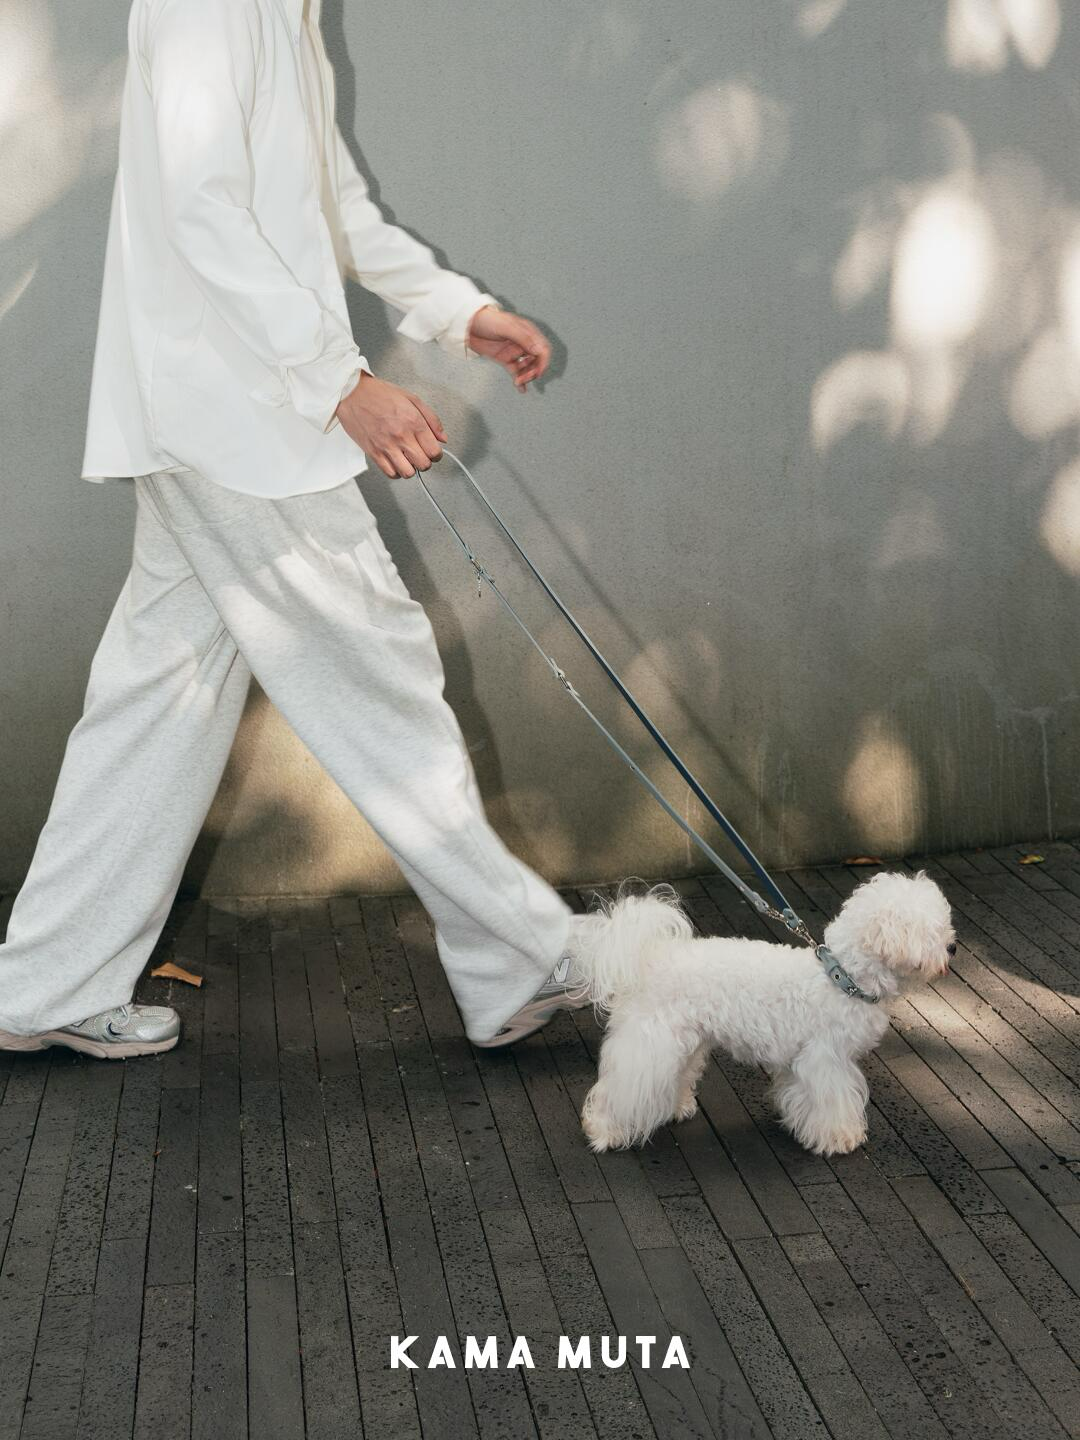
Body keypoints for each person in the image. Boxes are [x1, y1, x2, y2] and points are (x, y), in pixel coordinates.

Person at [0, 0, 589, 1060]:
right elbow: (204, 209)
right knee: (380, 677)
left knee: (154, 713)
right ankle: (518, 959)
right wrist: (342, 385)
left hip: (222, 419)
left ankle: (44, 984)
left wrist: (456, 310)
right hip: (239, 424)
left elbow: (330, 203)